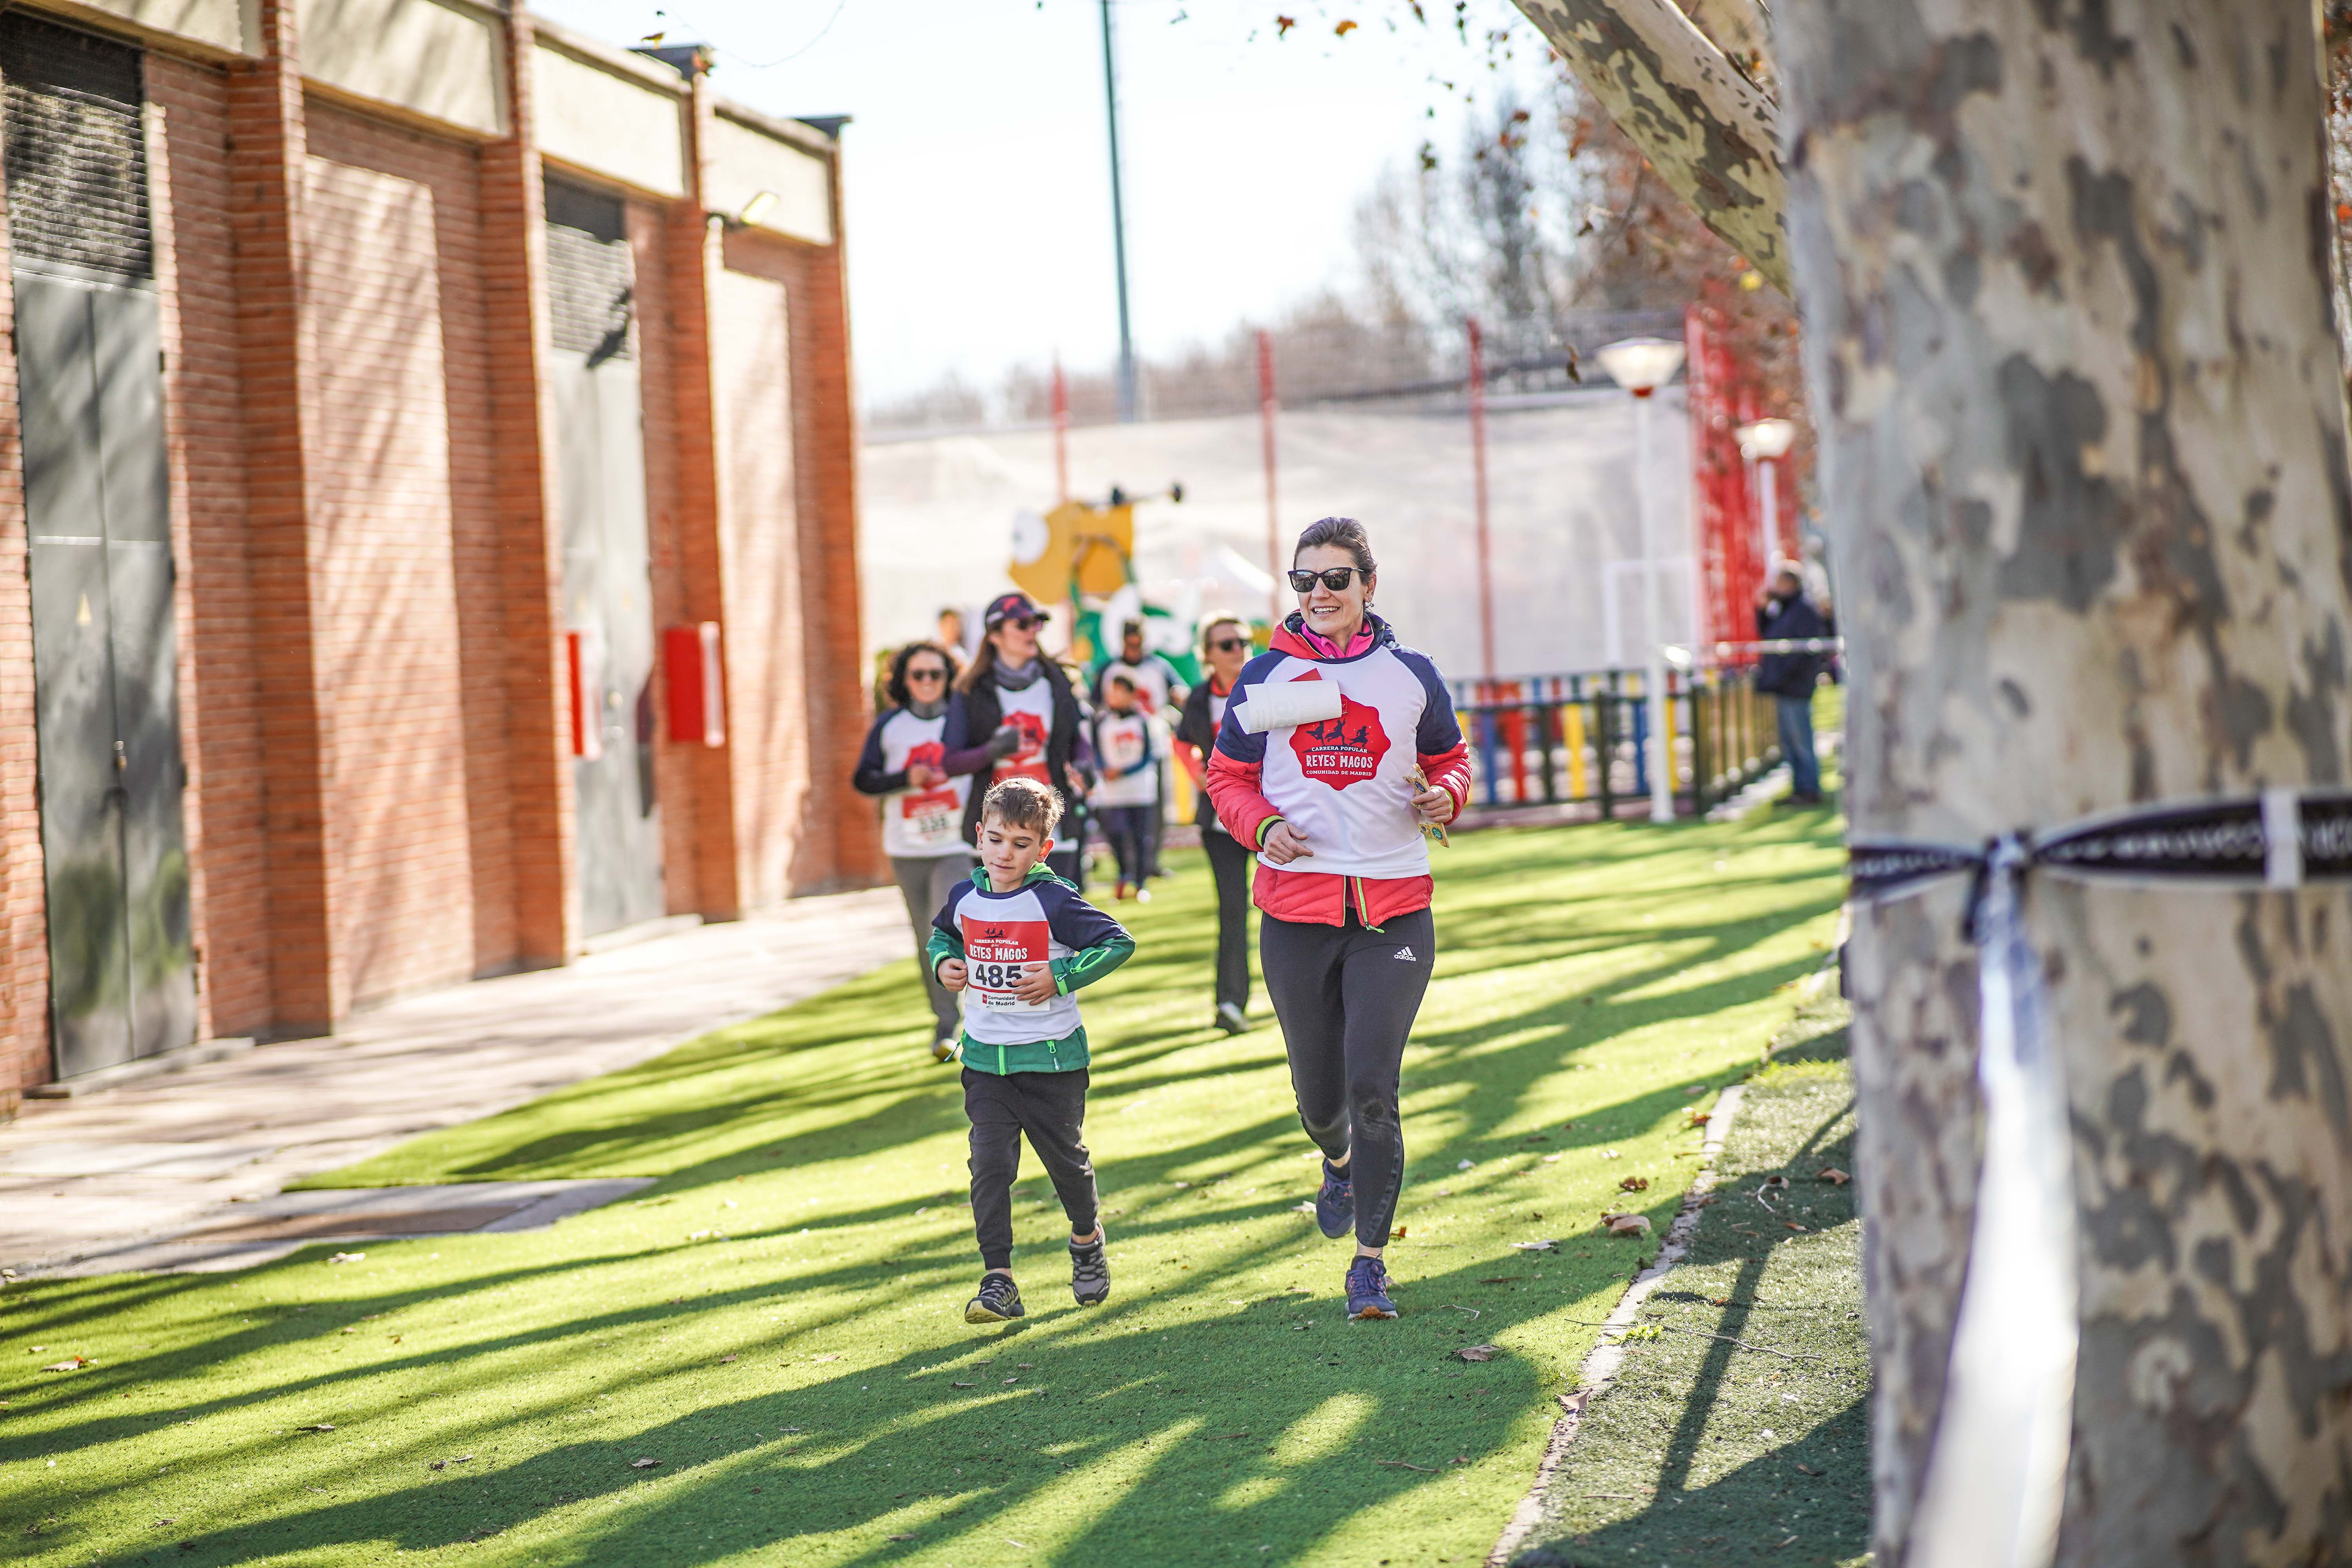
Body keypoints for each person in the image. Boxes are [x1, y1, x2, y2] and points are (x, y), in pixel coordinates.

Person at [1205, 517, 1470, 1321]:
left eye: (1336, 579)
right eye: (1305, 580)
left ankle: (1371, 1265)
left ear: (1368, 587)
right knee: (1320, 1098)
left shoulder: (1411, 674)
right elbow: (1227, 776)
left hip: (1393, 909)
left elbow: (1451, 757)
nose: (1319, 592)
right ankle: (1337, 1159)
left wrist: (1445, 795)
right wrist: (1260, 827)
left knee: (1372, 1087)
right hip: (1296, 910)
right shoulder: (1265, 675)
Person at [927, 777, 1135, 1324]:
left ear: (1043, 848)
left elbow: (1118, 942)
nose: (1006, 853)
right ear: (979, 835)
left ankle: (1087, 1239)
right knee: (990, 1167)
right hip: (985, 1063)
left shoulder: (1053, 900)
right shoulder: (964, 895)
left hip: (1052, 1062)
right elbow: (942, 937)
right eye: (996, 840)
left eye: (1021, 844)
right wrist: (944, 964)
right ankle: (999, 1281)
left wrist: (1060, 977)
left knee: (1067, 1165)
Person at [852, 641, 971, 1062]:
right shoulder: (890, 726)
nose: (926, 682)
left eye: (935, 675)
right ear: (904, 680)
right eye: (917, 675)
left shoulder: (964, 720)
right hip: (906, 847)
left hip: (955, 844)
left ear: (948, 679)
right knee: (926, 940)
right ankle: (944, 1024)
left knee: (948, 928)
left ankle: (972, 1019)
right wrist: (907, 777)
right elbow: (864, 780)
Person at [942, 592, 1094, 889]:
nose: (1033, 631)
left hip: (1053, 823)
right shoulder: (971, 690)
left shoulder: (1056, 680)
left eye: (1037, 624)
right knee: (1003, 923)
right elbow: (950, 762)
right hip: (997, 829)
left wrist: (1084, 764)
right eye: (1022, 624)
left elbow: (1078, 739)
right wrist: (992, 751)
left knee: (1059, 921)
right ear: (995, 635)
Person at [1175, 612, 1256, 1034]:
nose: (1238, 649)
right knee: (1233, 911)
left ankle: (1299, 999)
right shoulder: (1200, 696)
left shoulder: (1266, 686)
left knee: (1292, 908)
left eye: (1242, 640)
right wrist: (1200, 779)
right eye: (1226, 644)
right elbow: (1182, 739)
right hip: (1221, 824)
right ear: (1208, 655)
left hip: (1273, 819)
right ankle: (1230, 1002)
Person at [1091, 617, 1186, 881]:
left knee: (1153, 808)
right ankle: (1128, 866)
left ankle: (1150, 861)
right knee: (1118, 813)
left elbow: (1178, 694)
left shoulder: (1158, 666)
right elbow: (1095, 704)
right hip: (1118, 744)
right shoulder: (1110, 668)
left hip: (1154, 741)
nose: (1135, 647)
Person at [1754, 565, 1834, 805]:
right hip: (1785, 685)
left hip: (1796, 685)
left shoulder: (1804, 610)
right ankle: (1800, 788)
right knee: (1790, 741)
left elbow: (1801, 652)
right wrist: (1762, 610)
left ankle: (1809, 789)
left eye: (1779, 583)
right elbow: (1768, 636)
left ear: (1791, 584)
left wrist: (1783, 675)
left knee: (1800, 739)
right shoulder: (1785, 610)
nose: (1774, 588)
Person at [1090, 673, 1159, 901]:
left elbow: (1148, 755)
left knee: (1141, 837)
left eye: (1120, 691)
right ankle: (1123, 876)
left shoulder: (1142, 721)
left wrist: (1124, 771)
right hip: (1113, 792)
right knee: (1117, 835)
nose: (1115, 697)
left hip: (1140, 790)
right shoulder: (1101, 722)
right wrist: (1104, 770)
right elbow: (1096, 753)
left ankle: (1140, 883)